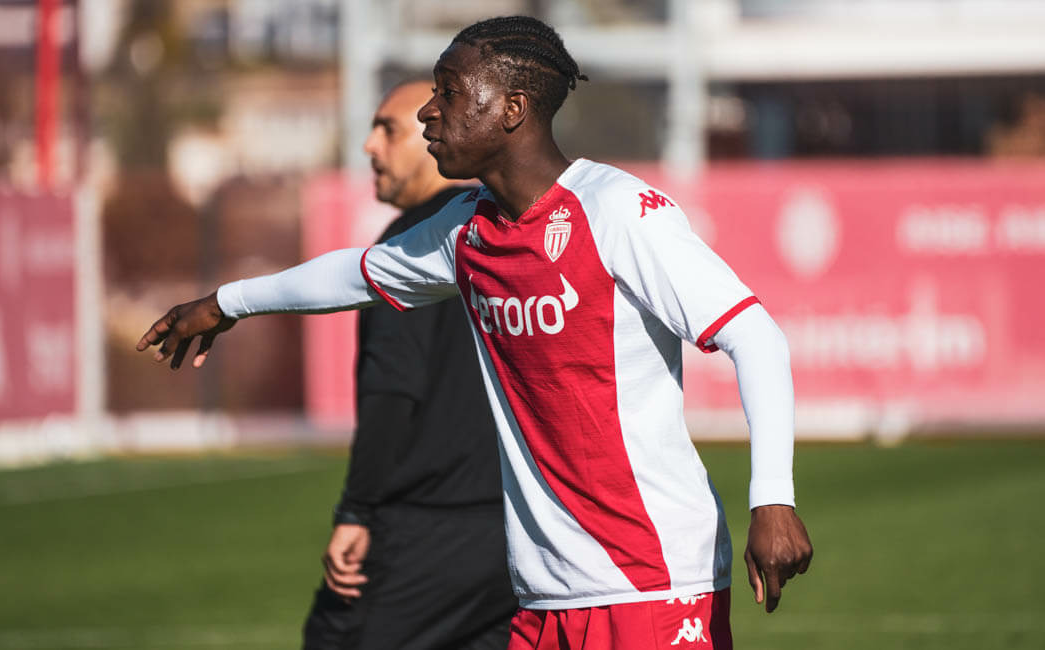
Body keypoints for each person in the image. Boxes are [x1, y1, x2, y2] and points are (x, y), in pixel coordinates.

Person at [137, 16, 813, 650]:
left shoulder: (617, 211)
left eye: (450, 92)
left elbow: (755, 337)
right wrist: (227, 303)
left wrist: (773, 500)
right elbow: (355, 274)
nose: (429, 112)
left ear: (512, 109)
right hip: (542, 598)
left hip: (655, 585)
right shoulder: (466, 228)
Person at [301, 79, 516, 650]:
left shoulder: (414, 244)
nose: (370, 146)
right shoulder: (500, 227)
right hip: (521, 534)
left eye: (389, 130)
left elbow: (392, 391)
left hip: (428, 527)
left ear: (435, 136)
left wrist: (356, 511)